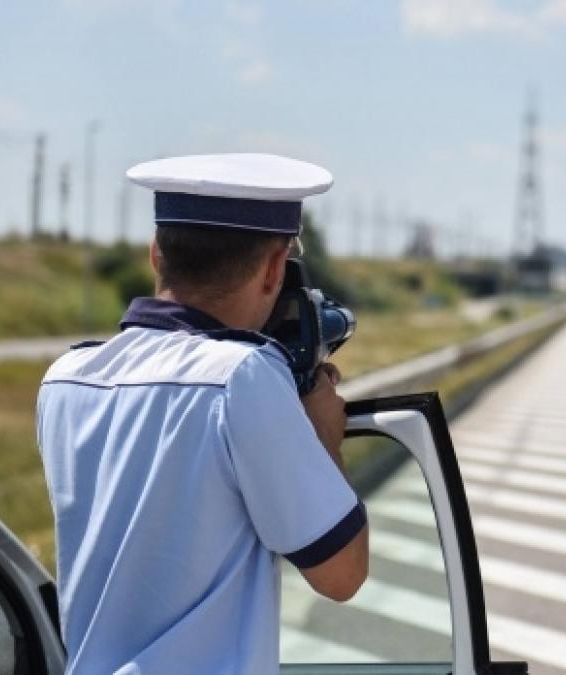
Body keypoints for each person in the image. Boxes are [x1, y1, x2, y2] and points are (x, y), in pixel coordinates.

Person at [36, 153, 369, 674]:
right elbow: (342, 575)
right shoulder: (242, 377)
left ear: (155, 255)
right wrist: (324, 438)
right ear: (276, 269)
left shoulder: (65, 377)